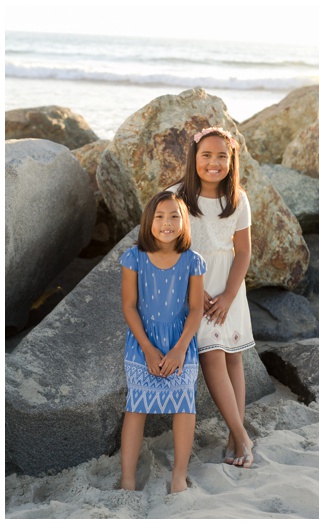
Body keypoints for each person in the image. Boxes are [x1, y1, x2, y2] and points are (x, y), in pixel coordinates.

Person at [170, 126, 255, 468]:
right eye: (206, 155)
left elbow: (244, 252)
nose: (214, 162)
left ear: (231, 160)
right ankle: (244, 436)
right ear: (194, 158)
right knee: (212, 354)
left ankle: (235, 437)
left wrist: (229, 295)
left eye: (222, 156)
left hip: (229, 288)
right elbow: (169, 249)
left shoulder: (238, 199)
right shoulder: (176, 195)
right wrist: (198, 290)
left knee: (233, 356)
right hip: (195, 287)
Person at [119, 190, 206, 493]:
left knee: (185, 404)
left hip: (181, 344)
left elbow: (196, 308)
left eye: (174, 216)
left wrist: (180, 349)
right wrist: (147, 347)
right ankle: (128, 479)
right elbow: (129, 305)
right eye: (159, 216)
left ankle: (179, 476)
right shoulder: (134, 258)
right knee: (136, 405)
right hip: (143, 343)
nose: (167, 223)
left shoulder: (193, 261)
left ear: (184, 222)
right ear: (148, 221)